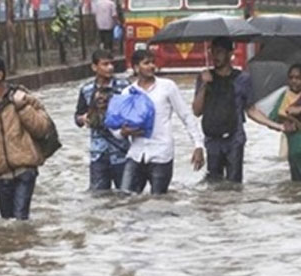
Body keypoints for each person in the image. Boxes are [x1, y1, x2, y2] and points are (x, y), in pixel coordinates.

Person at [0, 56, 52, 220]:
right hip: (0, 174)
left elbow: (42, 128)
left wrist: (22, 107)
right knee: (7, 221)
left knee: (20, 218)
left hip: (25, 169)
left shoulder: (23, 97)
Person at [120, 49, 205, 195]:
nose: (151, 66)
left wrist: (198, 145)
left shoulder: (167, 87)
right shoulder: (127, 93)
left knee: (159, 201)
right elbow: (117, 124)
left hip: (161, 154)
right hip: (135, 154)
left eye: (153, 62)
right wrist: (123, 132)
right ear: (135, 67)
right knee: (125, 198)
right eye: (146, 63)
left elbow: (186, 116)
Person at [248, 64, 301, 182]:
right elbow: (274, 117)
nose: (294, 81)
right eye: (291, 78)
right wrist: (284, 123)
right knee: (297, 185)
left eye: (298, 78)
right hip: (295, 150)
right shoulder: (285, 95)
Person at [192, 37, 254, 183]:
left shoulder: (242, 78)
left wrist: (274, 125)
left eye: (219, 52)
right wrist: (204, 86)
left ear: (230, 53)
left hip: (234, 138)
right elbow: (196, 111)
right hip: (212, 139)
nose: (215, 56)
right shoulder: (204, 77)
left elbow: (250, 109)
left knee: (234, 183)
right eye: (212, 52)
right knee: (214, 182)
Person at [75, 49, 131, 191]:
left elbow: (135, 113)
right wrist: (83, 119)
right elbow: (77, 117)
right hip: (98, 154)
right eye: (105, 64)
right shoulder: (86, 90)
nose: (110, 67)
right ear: (94, 67)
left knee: (127, 197)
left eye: (111, 64)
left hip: (121, 153)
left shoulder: (125, 87)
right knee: (98, 198)